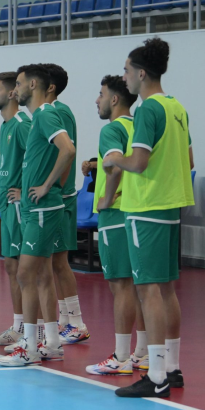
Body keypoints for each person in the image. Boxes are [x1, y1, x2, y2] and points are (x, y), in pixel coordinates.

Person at [107, 38, 193, 398]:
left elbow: (138, 162)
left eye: (127, 70)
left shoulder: (146, 110)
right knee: (167, 288)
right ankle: (172, 368)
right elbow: (188, 162)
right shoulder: (177, 108)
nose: (124, 77)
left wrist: (114, 160)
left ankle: (155, 376)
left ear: (142, 73)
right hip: (172, 207)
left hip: (146, 208)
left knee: (148, 290)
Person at [0, 64, 75, 367]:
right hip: (35, 208)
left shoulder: (44, 114)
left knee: (25, 274)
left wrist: (46, 185)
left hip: (43, 209)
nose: (14, 90)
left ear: (33, 85)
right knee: (41, 275)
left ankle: (29, 347)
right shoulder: (37, 117)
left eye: (17, 84)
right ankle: (52, 343)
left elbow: (67, 150)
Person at [84, 74, 149, 375]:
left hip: (116, 213)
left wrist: (106, 199)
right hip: (138, 210)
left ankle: (121, 356)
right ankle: (143, 352)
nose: (97, 100)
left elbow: (114, 164)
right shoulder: (137, 126)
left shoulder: (111, 128)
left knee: (120, 284)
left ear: (113, 99)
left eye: (100, 94)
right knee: (139, 286)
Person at [40, 63, 90, 345]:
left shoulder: (57, 111)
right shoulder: (55, 112)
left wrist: (55, 188)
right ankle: (65, 320)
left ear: (50, 87)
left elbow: (66, 152)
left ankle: (77, 321)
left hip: (61, 198)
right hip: (59, 195)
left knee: (58, 262)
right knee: (53, 262)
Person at [0, 71, 32, 348]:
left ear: (12, 93)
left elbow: (44, 159)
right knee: (12, 267)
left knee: (24, 269)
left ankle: (30, 331)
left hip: (19, 207)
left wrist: (25, 191)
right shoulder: (5, 126)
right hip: (8, 205)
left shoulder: (23, 124)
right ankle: (18, 327)